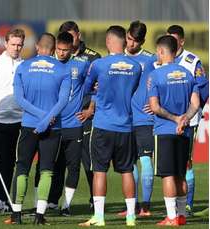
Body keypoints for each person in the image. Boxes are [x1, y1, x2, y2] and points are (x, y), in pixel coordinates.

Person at [4, 32, 71, 225]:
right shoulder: (62, 69)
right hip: (52, 127)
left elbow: (19, 99)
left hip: (28, 127)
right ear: (53, 50)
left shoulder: (24, 67)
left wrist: (39, 118)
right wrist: (47, 118)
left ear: (37, 48)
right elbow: (63, 100)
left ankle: (16, 213)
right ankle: (40, 215)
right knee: (47, 171)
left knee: (22, 168)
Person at [79, 25, 141, 227]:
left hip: (104, 125)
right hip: (125, 125)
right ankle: (131, 217)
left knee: (99, 170)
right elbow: (132, 89)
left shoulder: (99, 64)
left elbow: (86, 88)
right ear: (124, 41)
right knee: (127, 171)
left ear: (108, 41)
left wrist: (98, 87)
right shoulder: (136, 66)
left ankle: (99, 217)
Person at [46, 20, 101, 211]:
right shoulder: (56, 59)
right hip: (60, 118)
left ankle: (96, 199)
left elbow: (98, 86)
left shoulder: (91, 58)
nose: (71, 39)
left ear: (78, 34)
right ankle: (53, 200)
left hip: (85, 116)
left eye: (73, 35)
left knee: (88, 161)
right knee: (57, 160)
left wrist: (91, 109)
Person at [148, 35, 200, 226]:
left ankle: (171, 217)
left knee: (168, 175)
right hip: (184, 131)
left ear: (161, 51)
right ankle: (181, 216)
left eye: (157, 51)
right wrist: (185, 117)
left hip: (165, 130)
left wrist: (174, 118)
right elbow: (195, 103)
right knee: (180, 174)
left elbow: (154, 107)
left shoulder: (155, 75)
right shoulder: (187, 74)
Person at [167, 25, 209, 215]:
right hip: (167, 119)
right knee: (168, 162)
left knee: (186, 162)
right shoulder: (162, 59)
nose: (171, 43)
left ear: (182, 41)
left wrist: (192, 111)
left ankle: (188, 203)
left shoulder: (192, 61)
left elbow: (203, 88)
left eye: (174, 39)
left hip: (188, 120)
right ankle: (171, 203)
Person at [0, 28, 25, 213]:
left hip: (19, 120)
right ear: (6, 44)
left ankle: (8, 200)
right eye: (13, 44)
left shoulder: (25, 66)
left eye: (19, 45)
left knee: (12, 162)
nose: (16, 48)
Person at [119, 20, 156, 217]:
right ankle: (131, 206)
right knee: (128, 163)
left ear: (142, 41)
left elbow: (166, 81)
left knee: (145, 159)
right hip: (123, 118)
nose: (131, 44)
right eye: (129, 39)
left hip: (143, 119)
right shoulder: (116, 58)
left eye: (135, 41)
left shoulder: (151, 60)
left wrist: (158, 104)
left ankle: (147, 207)